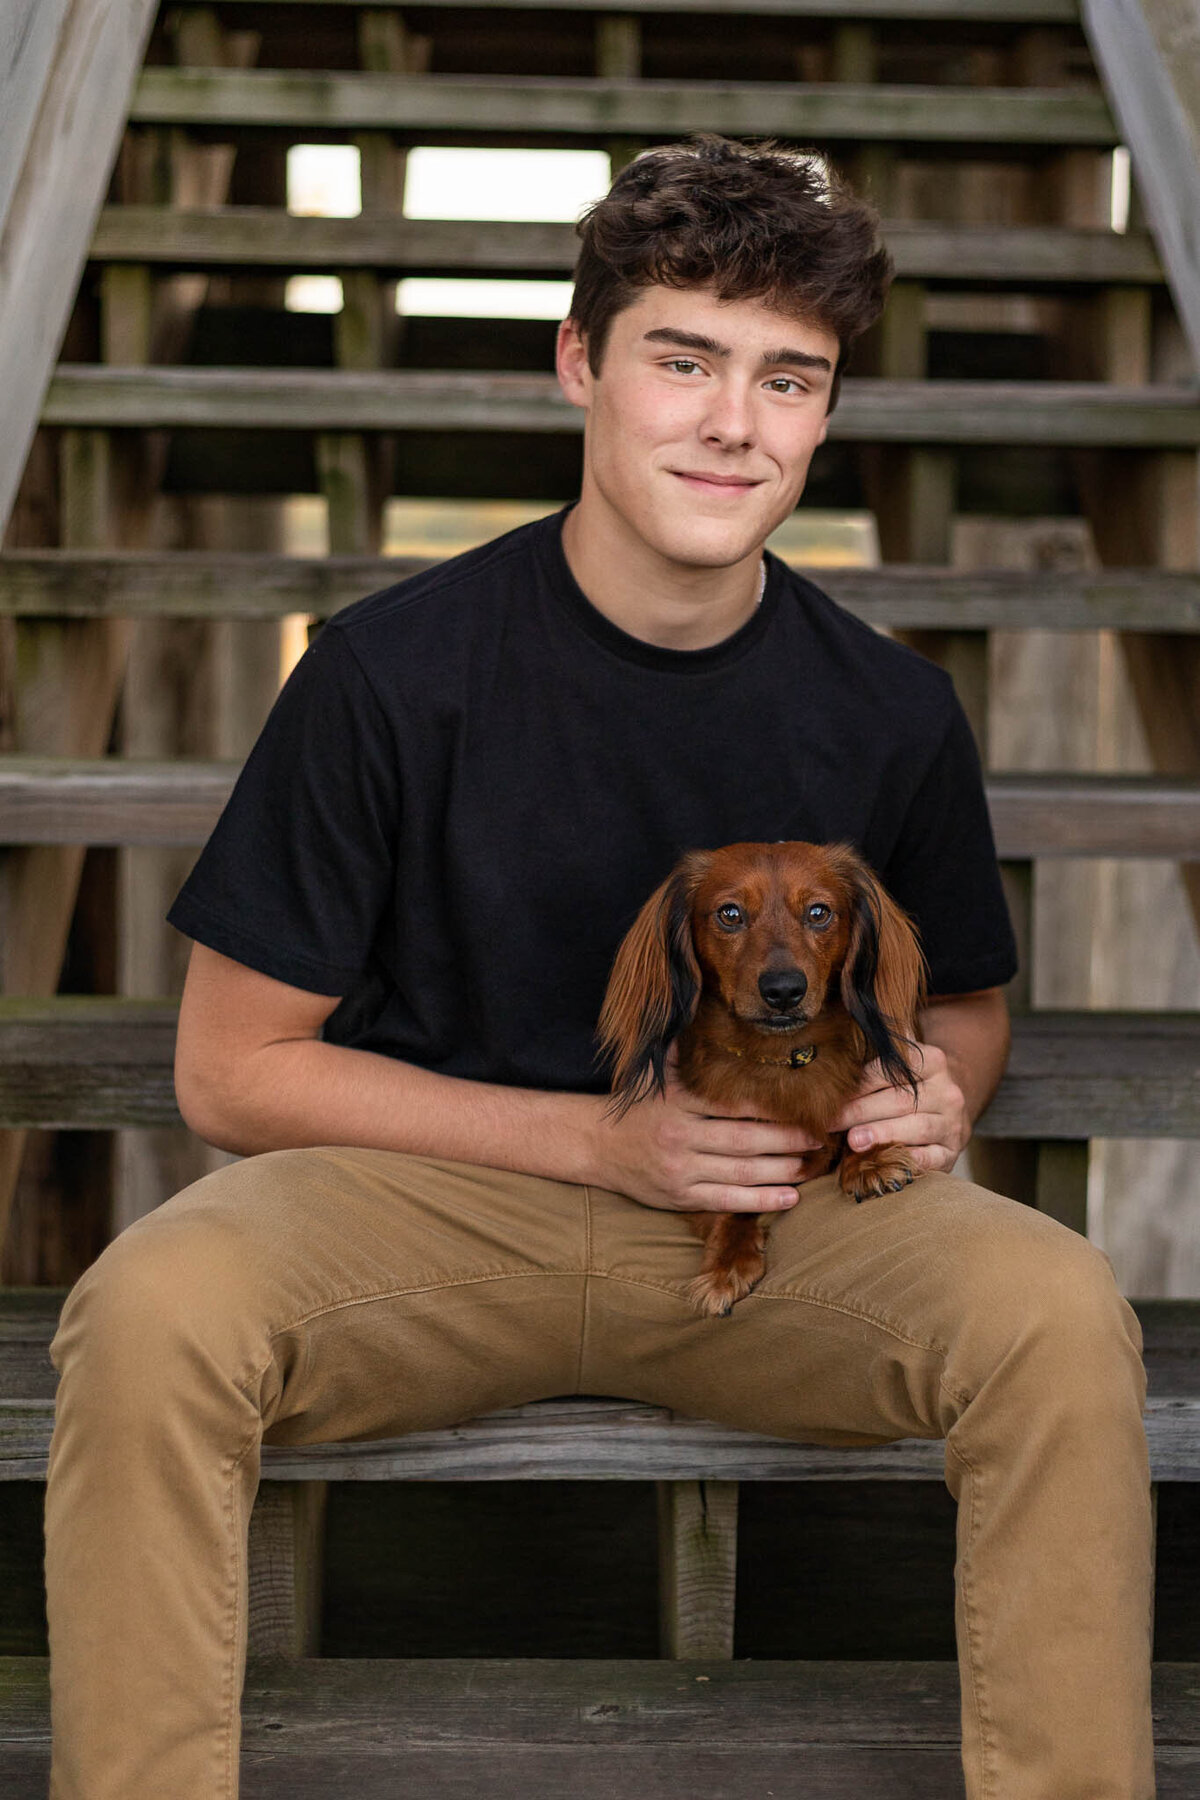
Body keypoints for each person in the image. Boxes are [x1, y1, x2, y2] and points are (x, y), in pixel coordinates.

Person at [44, 134, 1155, 1800]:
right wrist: (595, 1141)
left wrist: (934, 1098)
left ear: (828, 413)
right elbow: (230, 1069)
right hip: (426, 1204)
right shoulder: (387, 672)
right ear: (580, 364)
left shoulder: (891, 711)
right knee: (149, 1312)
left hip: (776, 1219)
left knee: (1061, 1316)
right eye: (683, 358)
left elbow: (968, 1003)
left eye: (789, 378)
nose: (733, 420)